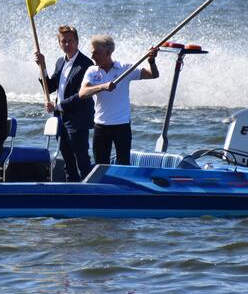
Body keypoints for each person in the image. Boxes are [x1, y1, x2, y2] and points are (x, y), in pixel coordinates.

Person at [79, 35, 159, 166]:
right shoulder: (92, 71)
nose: (92, 56)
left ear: (108, 53)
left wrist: (151, 61)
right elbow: (82, 93)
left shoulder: (124, 68)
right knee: (100, 166)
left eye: (96, 53)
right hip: (101, 125)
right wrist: (102, 86)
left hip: (121, 126)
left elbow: (153, 74)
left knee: (123, 164)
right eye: (92, 53)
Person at [34, 25, 95, 181]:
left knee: (81, 159)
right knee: (67, 159)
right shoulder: (60, 61)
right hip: (60, 118)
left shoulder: (86, 64)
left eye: (70, 41)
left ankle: (88, 192)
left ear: (77, 41)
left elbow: (81, 95)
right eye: (64, 41)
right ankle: (72, 191)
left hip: (78, 119)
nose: (67, 44)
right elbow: (51, 86)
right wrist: (43, 67)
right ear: (59, 43)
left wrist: (58, 106)